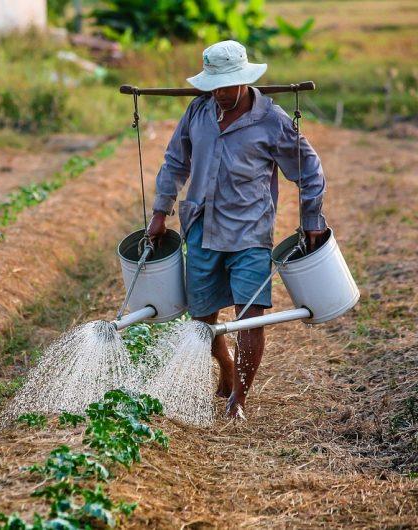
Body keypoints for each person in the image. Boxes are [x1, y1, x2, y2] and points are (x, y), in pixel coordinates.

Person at [146, 40, 327, 420]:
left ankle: (237, 401)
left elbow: (309, 170)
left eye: (228, 86)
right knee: (202, 319)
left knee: (251, 315)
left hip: (250, 232)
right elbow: (175, 162)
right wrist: (160, 212)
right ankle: (226, 366)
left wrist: (311, 220)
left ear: (245, 81)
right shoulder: (198, 112)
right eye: (215, 86)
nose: (221, 94)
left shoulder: (272, 121)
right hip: (201, 227)